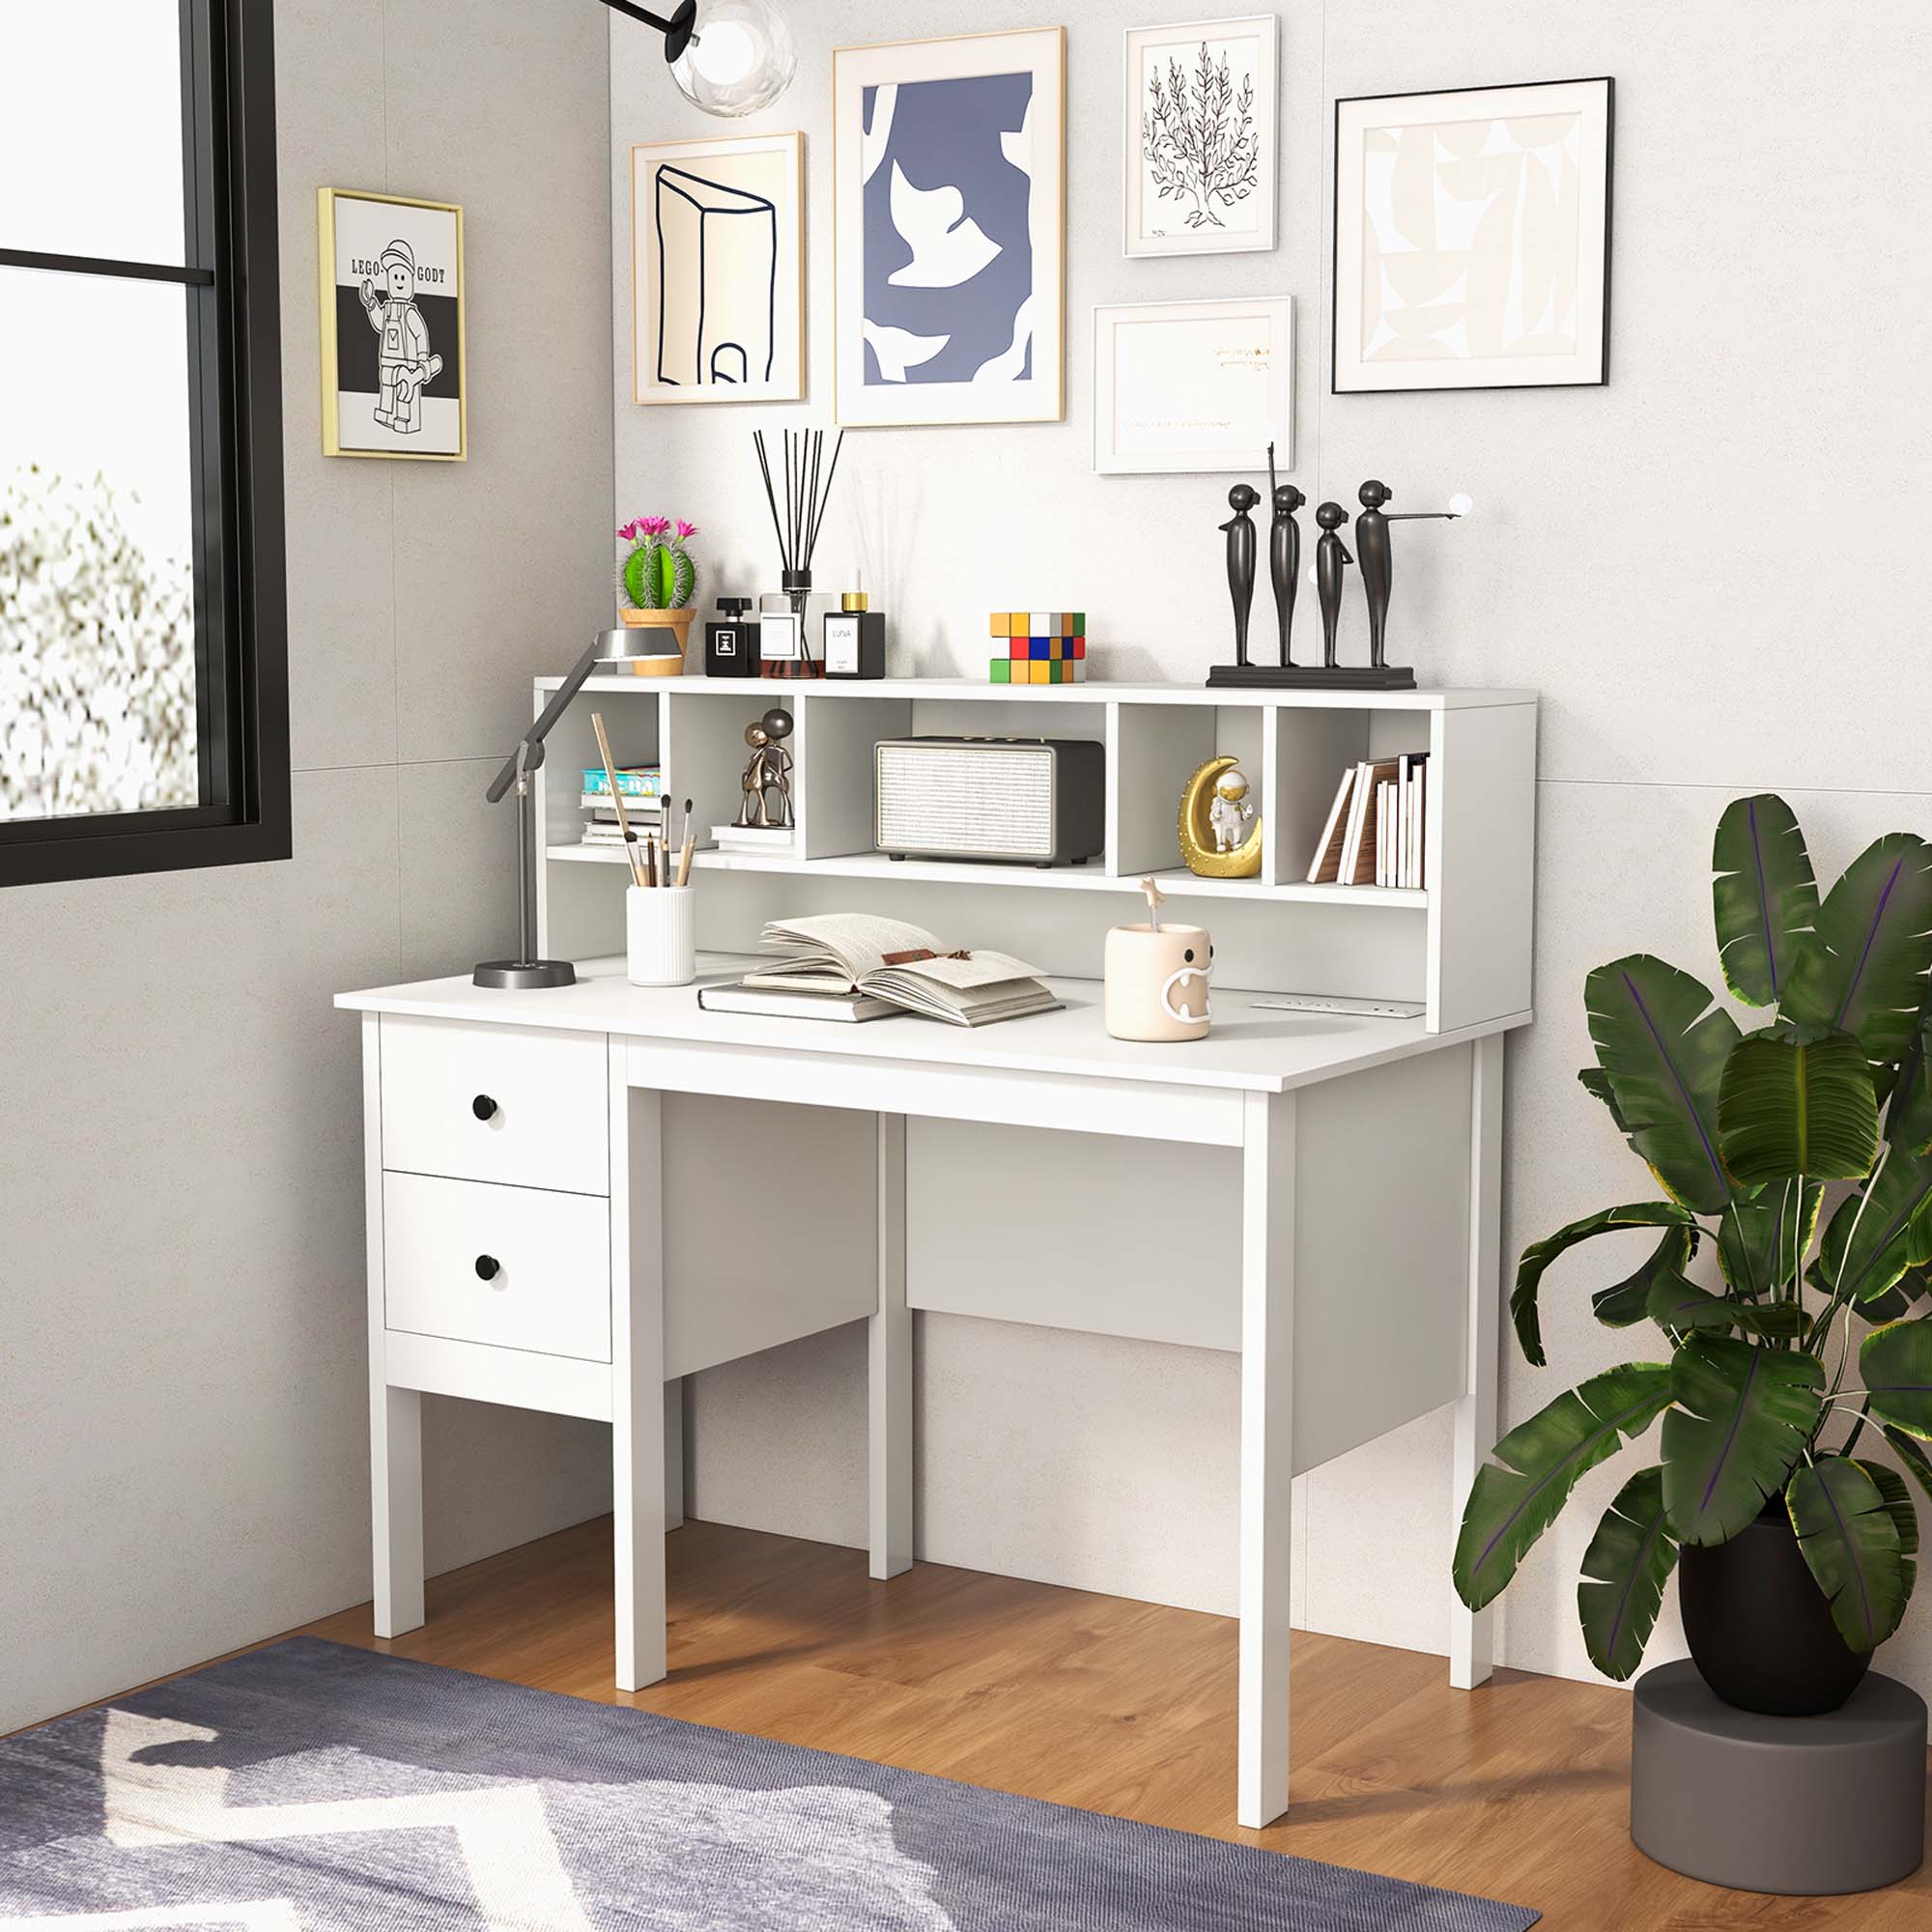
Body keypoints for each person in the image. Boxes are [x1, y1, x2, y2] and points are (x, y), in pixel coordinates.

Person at [360, 240, 437, 433]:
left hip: (408, 362)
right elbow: (379, 324)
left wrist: (421, 359)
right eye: (394, 276)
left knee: (405, 391)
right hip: (387, 360)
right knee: (387, 383)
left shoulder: (410, 313)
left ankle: (406, 419)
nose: (399, 281)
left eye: (402, 276)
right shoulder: (387, 309)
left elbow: (420, 334)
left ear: (411, 279)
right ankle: (385, 412)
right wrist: (371, 304)